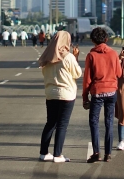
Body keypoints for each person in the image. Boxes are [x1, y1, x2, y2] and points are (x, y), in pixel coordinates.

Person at [38, 31, 82, 163]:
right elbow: (78, 74)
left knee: (50, 123)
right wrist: (76, 57)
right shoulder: (68, 57)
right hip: (66, 94)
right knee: (62, 125)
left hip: (51, 94)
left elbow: (44, 72)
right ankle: (58, 155)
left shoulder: (47, 55)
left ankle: (43, 153)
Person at [83, 27, 123, 163]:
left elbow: (87, 79)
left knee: (93, 121)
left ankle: (96, 152)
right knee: (109, 122)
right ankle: (108, 154)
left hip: (98, 93)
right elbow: (119, 73)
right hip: (112, 92)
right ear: (106, 39)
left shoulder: (91, 55)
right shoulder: (113, 54)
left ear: (93, 40)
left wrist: (84, 97)